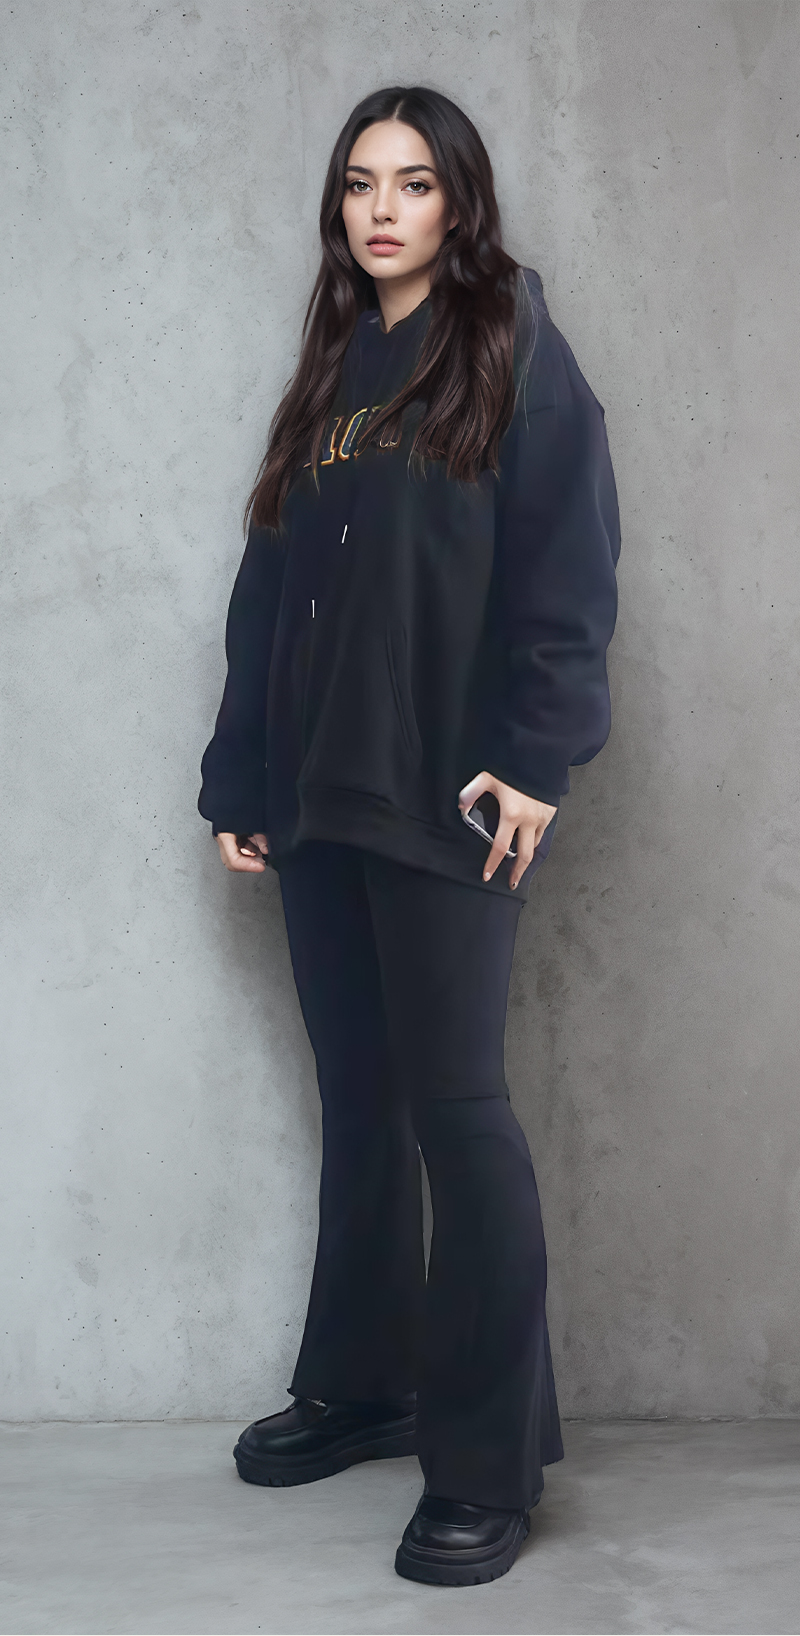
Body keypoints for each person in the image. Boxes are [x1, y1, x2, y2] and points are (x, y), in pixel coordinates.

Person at [198, 84, 620, 1588]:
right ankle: (366, 1383)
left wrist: (537, 756)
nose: (384, 209)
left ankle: (487, 1460)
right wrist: (242, 778)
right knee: (362, 1103)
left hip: (451, 795)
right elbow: (266, 591)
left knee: (458, 1111)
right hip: (319, 795)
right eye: (362, 184)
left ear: (460, 203)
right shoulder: (332, 366)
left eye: (416, 183)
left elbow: (569, 562)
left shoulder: (510, 344)